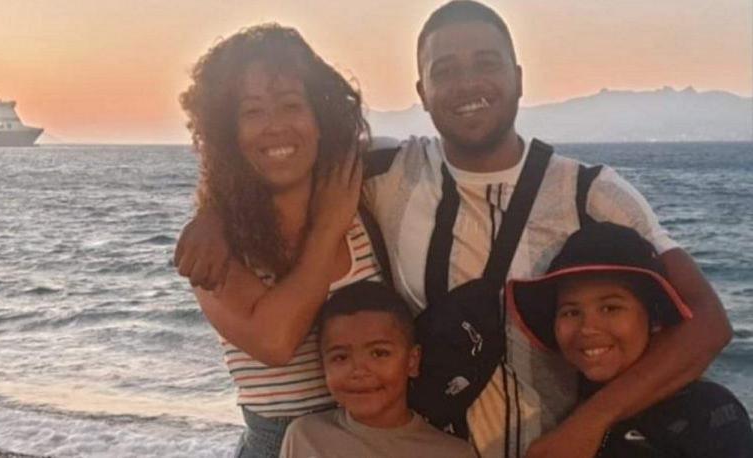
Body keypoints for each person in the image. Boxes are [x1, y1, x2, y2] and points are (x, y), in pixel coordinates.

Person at [175, 2, 732, 456]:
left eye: (486, 63)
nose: (468, 84)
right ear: (422, 92)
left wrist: (586, 429)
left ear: (517, 78)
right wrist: (217, 214)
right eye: (445, 70)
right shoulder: (388, 175)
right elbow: (282, 161)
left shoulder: (590, 191)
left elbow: (706, 324)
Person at [178, 24, 384, 458]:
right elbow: (274, 340)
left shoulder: (363, 191)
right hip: (280, 446)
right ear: (226, 133)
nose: (275, 127)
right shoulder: (214, 249)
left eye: (291, 105)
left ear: (320, 117)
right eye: (252, 112)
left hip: (379, 437)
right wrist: (328, 228)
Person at [508, 222, 753, 457]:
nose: (587, 328)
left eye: (610, 308)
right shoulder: (561, 404)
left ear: (654, 318)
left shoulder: (709, 412)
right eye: (571, 312)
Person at [279, 281, 477, 458]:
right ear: (323, 364)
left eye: (379, 353)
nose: (359, 370)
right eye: (340, 357)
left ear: (411, 361)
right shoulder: (304, 437)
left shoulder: (452, 454)